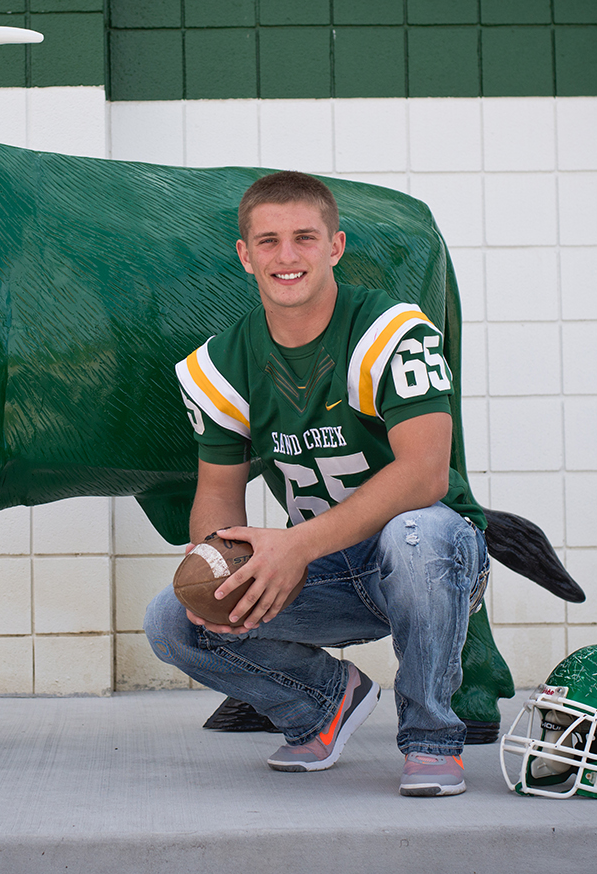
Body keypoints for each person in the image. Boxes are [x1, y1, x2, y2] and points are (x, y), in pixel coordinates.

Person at [144, 170, 489, 797]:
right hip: (327, 568)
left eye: (304, 237)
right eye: (268, 241)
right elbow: (217, 493)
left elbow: (425, 473)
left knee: (416, 531)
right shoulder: (223, 361)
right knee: (174, 617)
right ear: (245, 255)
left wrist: (295, 546)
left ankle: (431, 737)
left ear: (335, 247)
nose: (287, 256)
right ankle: (322, 703)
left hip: (431, 556)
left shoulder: (391, 331)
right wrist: (220, 575)